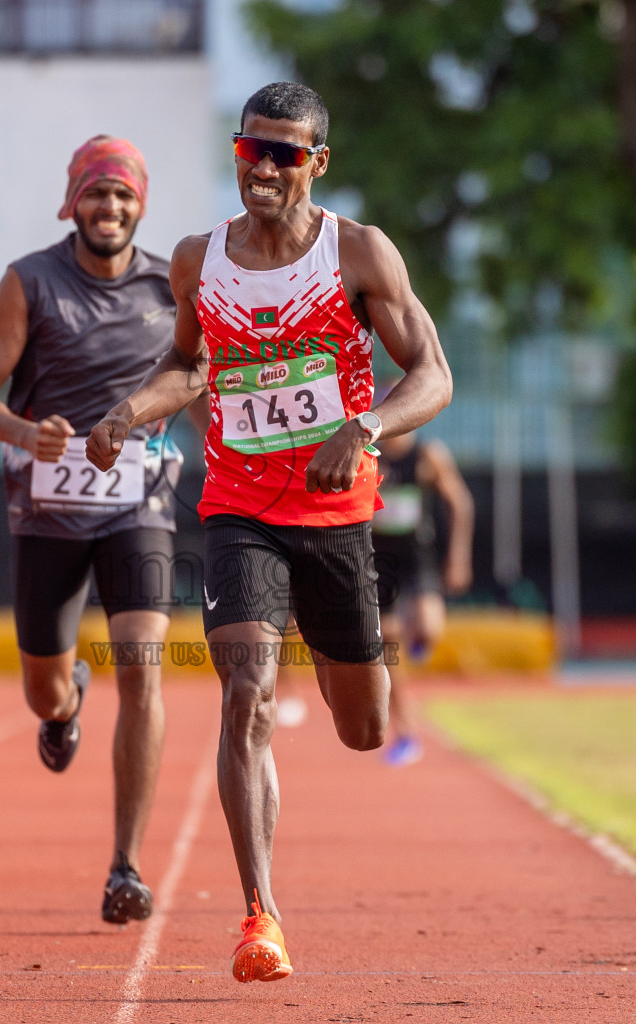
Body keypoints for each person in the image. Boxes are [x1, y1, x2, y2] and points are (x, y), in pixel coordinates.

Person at [88, 82, 453, 982]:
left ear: (317, 163)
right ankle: (261, 915)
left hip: (336, 517)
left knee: (361, 727)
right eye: (254, 149)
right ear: (238, 153)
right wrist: (130, 409)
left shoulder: (359, 253)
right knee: (246, 691)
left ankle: (343, 674)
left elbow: (433, 376)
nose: (266, 167)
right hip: (240, 509)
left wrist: (361, 427)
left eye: (287, 153)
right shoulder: (195, 260)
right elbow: (189, 366)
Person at [0, 135, 180, 924]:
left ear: (139, 205)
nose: (109, 208)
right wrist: (25, 434)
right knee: (43, 687)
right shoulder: (28, 283)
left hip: (139, 503)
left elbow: (193, 372)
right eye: (97, 194)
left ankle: (126, 865)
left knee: (144, 668)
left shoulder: (170, 284)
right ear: (73, 202)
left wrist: (147, 414)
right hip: (48, 509)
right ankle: (64, 706)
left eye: (122, 196)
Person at [371, 425, 474, 766]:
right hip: (378, 560)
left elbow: (460, 503)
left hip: (418, 559)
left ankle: (418, 640)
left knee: (429, 627)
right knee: (389, 645)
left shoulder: (428, 455)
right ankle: (406, 731)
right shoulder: (367, 453)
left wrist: (458, 557)